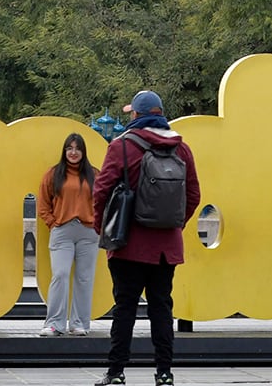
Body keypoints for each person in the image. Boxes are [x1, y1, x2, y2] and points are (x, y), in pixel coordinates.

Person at [91, 90, 201, 386]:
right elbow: (193, 196)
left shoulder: (122, 146)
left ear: (137, 115)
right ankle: (164, 373)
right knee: (162, 308)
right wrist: (174, 224)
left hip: (127, 243)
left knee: (125, 308)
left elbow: (101, 190)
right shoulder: (182, 149)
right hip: (167, 246)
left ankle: (116, 372)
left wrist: (101, 226)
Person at [37, 132, 100, 336]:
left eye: (78, 148)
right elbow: (43, 203)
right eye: (69, 148)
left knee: (84, 278)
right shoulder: (53, 174)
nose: (74, 152)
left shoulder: (94, 174)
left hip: (88, 232)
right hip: (62, 231)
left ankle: (79, 323)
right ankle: (54, 323)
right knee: (60, 275)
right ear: (64, 151)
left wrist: (97, 222)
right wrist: (52, 224)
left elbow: (104, 201)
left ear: (83, 151)